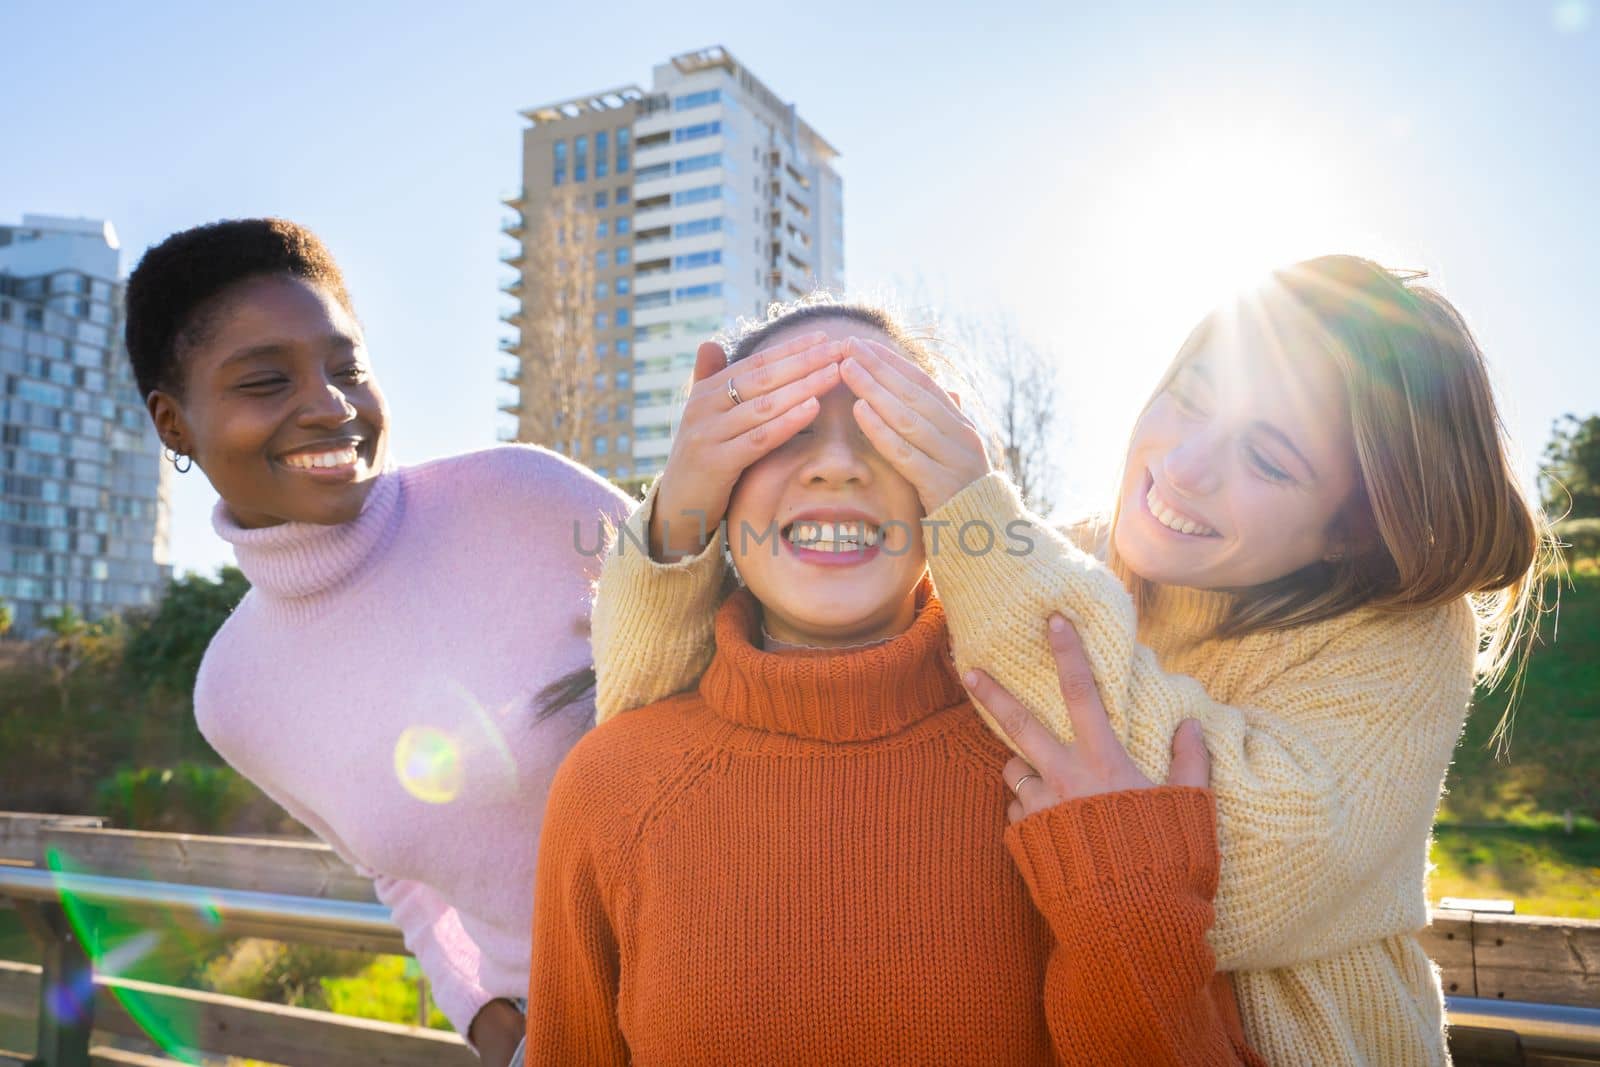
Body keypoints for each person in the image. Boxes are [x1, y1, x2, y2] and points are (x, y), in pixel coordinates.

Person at [591, 263, 1550, 1065]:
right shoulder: (1055, 565)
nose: (1183, 467)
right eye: (1191, 397)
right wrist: (683, 513)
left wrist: (973, 512)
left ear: (1353, 526)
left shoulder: (1401, 636)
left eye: (1269, 460)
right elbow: (654, 727)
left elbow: (1236, 879)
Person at [525, 302, 1266, 1065]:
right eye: (783, 427)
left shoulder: (1073, 772)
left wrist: (1129, 908)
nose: (839, 462)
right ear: (714, 487)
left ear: (946, 487)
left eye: (890, 425)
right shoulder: (608, 787)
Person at [123, 218, 680, 1065]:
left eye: (348, 368)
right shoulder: (232, 696)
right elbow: (401, 871)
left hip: (747, 978)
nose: (330, 405)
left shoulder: (521, 499)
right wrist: (487, 1019)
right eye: (267, 381)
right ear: (173, 423)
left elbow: (744, 655)